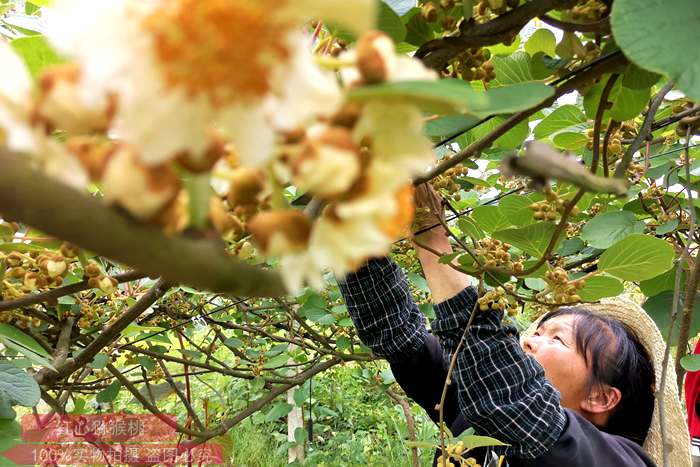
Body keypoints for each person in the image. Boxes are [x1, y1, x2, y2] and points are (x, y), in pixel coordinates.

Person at [338, 184, 691, 467]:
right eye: (537, 331)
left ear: (600, 397)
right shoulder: (477, 419)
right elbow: (400, 335)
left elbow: (514, 402)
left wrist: (431, 235)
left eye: (557, 338)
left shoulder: (618, 460)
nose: (527, 342)